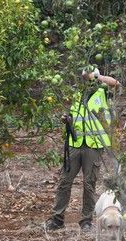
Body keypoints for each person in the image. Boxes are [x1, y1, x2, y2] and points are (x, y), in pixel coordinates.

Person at [44, 66, 120, 231]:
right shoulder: (78, 95)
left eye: (89, 77)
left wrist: (98, 77)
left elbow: (116, 84)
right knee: (64, 181)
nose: (86, 79)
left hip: (93, 145)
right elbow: (75, 115)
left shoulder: (103, 92)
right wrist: (67, 120)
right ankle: (57, 219)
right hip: (75, 143)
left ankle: (86, 221)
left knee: (89, 183)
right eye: (84, 77)